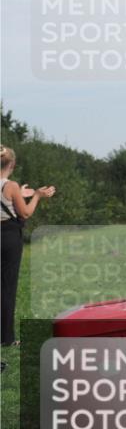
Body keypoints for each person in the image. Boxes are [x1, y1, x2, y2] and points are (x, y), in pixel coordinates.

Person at [1, 146, 56, 349]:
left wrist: (19, 194)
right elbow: (24, 213)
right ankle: (6, 338)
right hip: (8, 238)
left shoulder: (12, 188)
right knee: (7, 287)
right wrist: (36, 196)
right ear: (12, 165)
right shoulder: (11, 186)